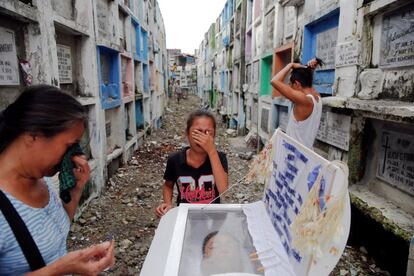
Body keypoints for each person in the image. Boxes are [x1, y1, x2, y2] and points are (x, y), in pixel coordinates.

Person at [0, 85, 115, 275]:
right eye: (69, 146)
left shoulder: (38, 179)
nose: (74, 155)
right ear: (33, 134)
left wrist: (75, 191)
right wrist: (62, 268)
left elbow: (54, 231)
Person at [155, 110, 228, 218]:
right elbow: (168, 185)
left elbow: (223, 190)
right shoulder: (175, 160)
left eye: (208, 133)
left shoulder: (219, 158)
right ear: (187, 134)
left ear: (214, 136)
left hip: (213, 217)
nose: (202, 138)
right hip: (185, 217)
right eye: (197, 132)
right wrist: (167, 204)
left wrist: (211, 151)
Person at [270, 58, 324, 149]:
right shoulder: (317, 97)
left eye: (290, 84)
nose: (289, 88)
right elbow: (307, 83)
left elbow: (274, 81)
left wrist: (290, 65)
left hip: (294, 156)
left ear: (297, 84)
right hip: (306, 154)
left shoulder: (304, 100)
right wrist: (308, 70)